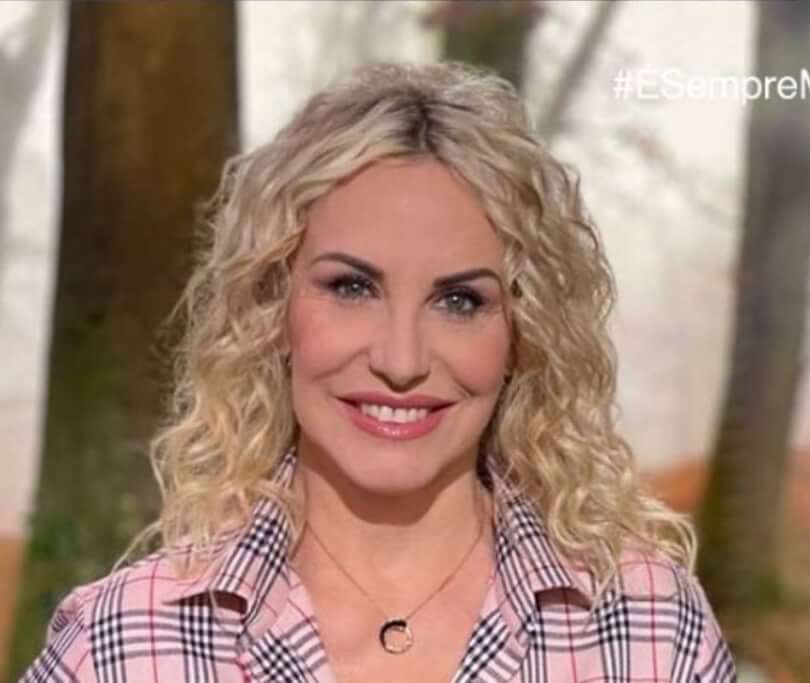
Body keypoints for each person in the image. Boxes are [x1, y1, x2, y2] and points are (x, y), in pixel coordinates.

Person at [21, 62, 737, 683]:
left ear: (523, 332)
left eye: (460, 301)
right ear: (272, 306)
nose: (401, 361)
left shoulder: (645, 630)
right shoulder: (126, 644)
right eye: (352, 287)